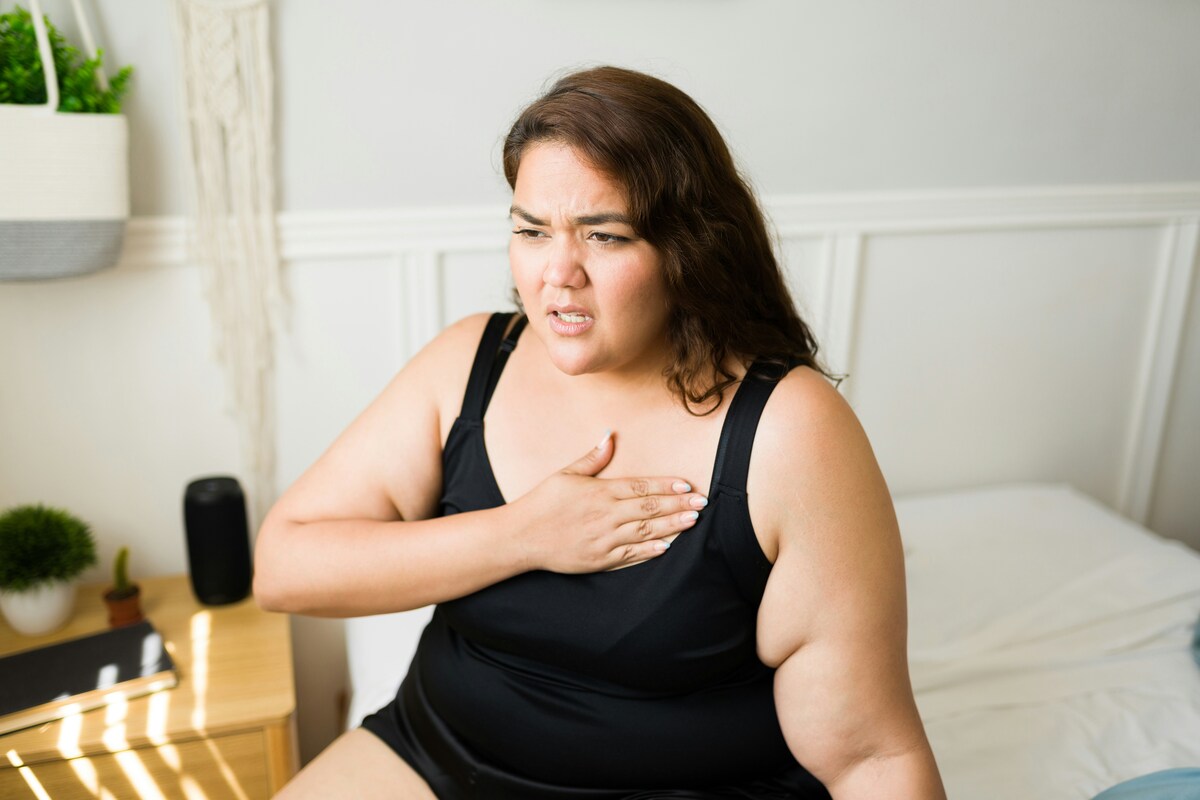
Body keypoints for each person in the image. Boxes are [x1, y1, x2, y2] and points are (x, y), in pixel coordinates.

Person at [254, 65, 946, 799]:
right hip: (435, 751)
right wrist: (523, 534)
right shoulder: (470, 361)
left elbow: (871, 757)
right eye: (531, 231)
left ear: (690, 248)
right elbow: (284, 567)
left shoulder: (789, 428)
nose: (558, 272)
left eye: (604, 236)